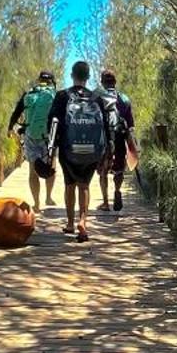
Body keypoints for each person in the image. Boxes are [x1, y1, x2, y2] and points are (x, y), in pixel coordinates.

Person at [44, 59, 109, 242]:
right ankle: (83, 221)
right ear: (88, 77)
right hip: (92, 150)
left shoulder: (62, 96)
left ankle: (71, 223)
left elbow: (52, 122)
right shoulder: (97, 98)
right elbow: (105, 125)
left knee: (69, 184)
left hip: (68, 148)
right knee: (85, 185)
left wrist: (51, 147)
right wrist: (106, 151)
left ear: (72, 76)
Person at [7, 70, 58, 210]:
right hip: (49, 137)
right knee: (51, 167)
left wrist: (10, 127)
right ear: (51, 81)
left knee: (32, 171)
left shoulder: (29, 93)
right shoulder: (54, 94)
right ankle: (48, 197)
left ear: (39, 79)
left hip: (31, 135)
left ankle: (36, 204)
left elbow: (17, 111)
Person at [95, 67, 137, 213]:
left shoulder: (98, 98)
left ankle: (105, 202)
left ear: (102, 82)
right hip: (119, 138)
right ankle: (117, 190)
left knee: (103, 172)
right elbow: (130, 125)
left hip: (103, 139)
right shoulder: (124, 99)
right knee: (118, 170)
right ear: (115, 82)